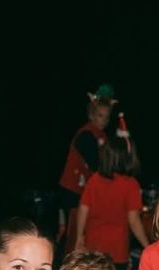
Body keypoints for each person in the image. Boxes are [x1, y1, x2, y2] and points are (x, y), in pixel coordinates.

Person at [76, 114, 150, 270]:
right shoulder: (130, 185)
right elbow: (134, 220)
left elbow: (83, 209)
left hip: (93, 249)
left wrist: (79, 236)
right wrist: (147, 246)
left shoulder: (94, 180)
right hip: (117, 253)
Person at [56, 84, 116, 257]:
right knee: (71, 236)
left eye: (106, 117)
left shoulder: (102, 136)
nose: (103, 121)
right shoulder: (86, 135)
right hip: (72, 192)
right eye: (100, 116)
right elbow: (98, 166)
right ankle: (63, 268)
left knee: (81, 236)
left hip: (85, 193)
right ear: (91, 115)